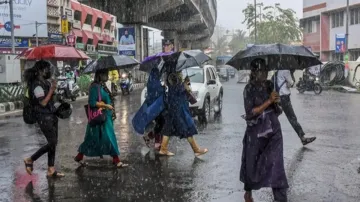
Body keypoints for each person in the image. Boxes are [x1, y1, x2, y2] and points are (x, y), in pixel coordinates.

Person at [241, 58, 288, 202]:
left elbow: (278, 111)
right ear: (254, 72)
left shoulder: (269, 85)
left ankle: (280, 198)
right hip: (256, 133)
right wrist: (268, 101)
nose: (265, 73)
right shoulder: (248, 89)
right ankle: (248, 192)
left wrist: (277, 102)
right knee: (251, 164)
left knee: (276, 164)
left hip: (273, 131)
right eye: (262, 70)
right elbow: (250, 112)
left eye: (266, 70)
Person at [74, 69, 128, 168]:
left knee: (92, 139)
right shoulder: (94, 87)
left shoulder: (102, 85)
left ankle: (79, 156)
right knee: (108, 137)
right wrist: (106, 106)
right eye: (105, 74)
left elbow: (108, 97)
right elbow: (92, 102)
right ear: (99, 75)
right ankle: (116, 160)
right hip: (100, 118)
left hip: (105, 117)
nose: (107, 76)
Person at [23, 60, 65, 178]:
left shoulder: (45, 83)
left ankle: (51, 169)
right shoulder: (36, 84)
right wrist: (51, 90)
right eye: (46, 69)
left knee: (53, 143)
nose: (48, 71)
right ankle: (30, 159)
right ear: (40, 71)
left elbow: (51, 100)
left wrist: (54, 89)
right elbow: (43, 102)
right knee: (52, 142)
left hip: (51, 115)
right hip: (43, 116)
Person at [159, 67, 208, 156]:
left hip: (173, 106)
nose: (181, 71)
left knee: (168, 127)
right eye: (180, 70)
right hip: (178, 107)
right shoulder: (174, 76)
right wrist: (185, 84)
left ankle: (163, 148)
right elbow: (177, 90)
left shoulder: (171, 75)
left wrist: (184, 83)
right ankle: (196, 149)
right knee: (187, 127)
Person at [277, 69, 316, 145]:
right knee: (292, 118)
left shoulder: (277, 72)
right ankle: (302, 138)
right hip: (285, 98)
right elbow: (291, 84)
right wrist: (291, 77)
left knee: (273, 116)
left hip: (278, 97)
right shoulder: (286, 71)